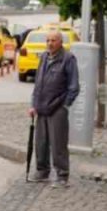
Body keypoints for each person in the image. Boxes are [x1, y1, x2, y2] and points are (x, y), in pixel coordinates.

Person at [27, 29, 78, 187]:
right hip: (41, 107)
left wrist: (65, 104)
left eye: (53, 40)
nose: (50, 43)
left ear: (60, 42)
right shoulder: (43, 57)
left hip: (58, 107)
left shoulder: (68, 59)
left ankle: (62, 175)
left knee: (58, 144)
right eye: (48, 40)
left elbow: (74, 86)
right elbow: (38, 84)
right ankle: (42, 171)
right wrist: (33, 105)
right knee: (41, 142)